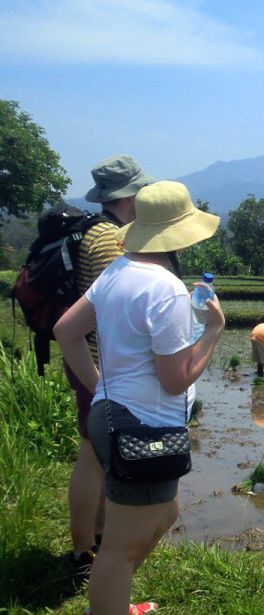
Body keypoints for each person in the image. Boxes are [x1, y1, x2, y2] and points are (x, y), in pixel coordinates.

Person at [54, 180, 222, 615]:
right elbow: (175, 380)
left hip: (114, 418)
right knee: (119, 550)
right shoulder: (165, 288)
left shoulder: (119, 271)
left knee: (163, 515)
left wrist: (100, 391)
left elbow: (66, 332)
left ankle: (115, 597)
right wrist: (213, 331)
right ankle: (109, 604)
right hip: (143, 428)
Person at [66, 155, 154, 578]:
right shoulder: (109, 240)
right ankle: (84, 552)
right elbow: (113, 304)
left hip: (98, 360)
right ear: (129, 195)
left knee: (101, 454)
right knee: (91, 455)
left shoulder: (100, 231)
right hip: (99, 363)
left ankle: (100, 540)